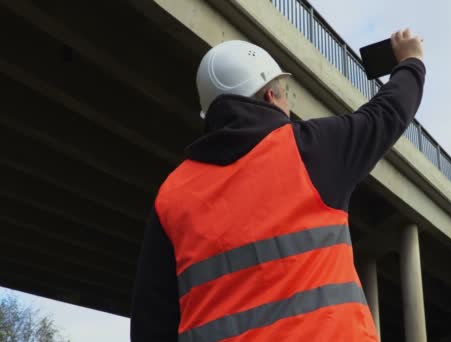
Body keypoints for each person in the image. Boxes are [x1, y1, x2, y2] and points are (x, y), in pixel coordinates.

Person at [131, 28, 425, 341]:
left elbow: (152, 322)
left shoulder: (172, 197)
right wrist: (411, 61)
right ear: (271, 95)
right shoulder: (307, 150)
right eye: (286, 92)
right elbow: (386, 113)